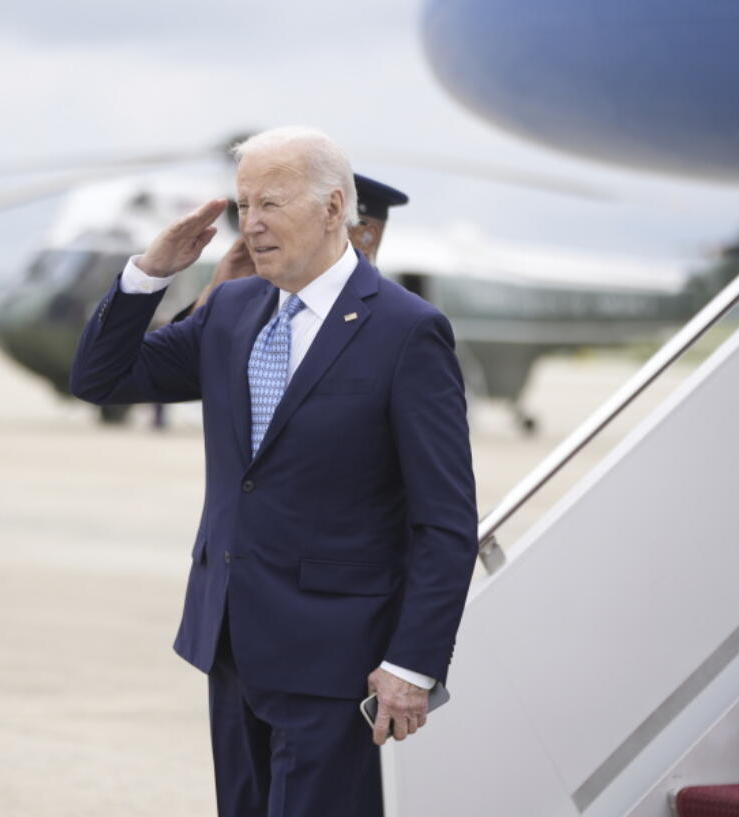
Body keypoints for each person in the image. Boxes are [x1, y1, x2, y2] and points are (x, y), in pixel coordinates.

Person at [70, 126, 476, 817]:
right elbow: (101, 377)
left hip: (336, 660)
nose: (251, 224)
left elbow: (444, 520)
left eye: (271, 204)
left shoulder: (407, 331)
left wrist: (412, 664)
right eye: (244, 204)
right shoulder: (231, 309)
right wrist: (149, 273)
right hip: (231, 643)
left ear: (332, 207)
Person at [172, 173, 408, 321]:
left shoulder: (398, 319)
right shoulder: (268, 310)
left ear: (367, 236)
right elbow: (182, 369)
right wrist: (216, 292)